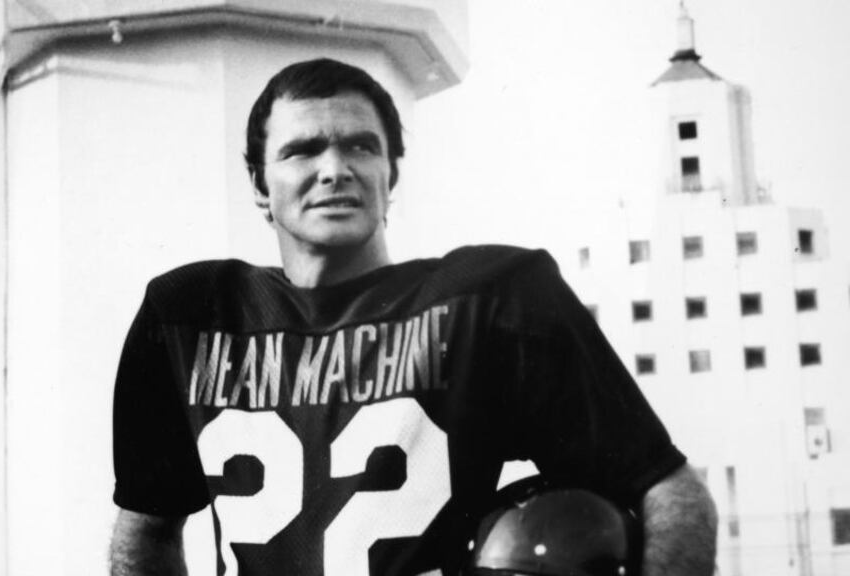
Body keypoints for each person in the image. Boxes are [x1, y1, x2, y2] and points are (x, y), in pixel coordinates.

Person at [109, 58, 718, 576]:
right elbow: (145, 531)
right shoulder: (191, 315)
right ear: (259, 183)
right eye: (302, 150)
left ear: (391, 173)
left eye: (360, 145)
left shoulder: (490, 299)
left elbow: (673, 493)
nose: (334, 169)